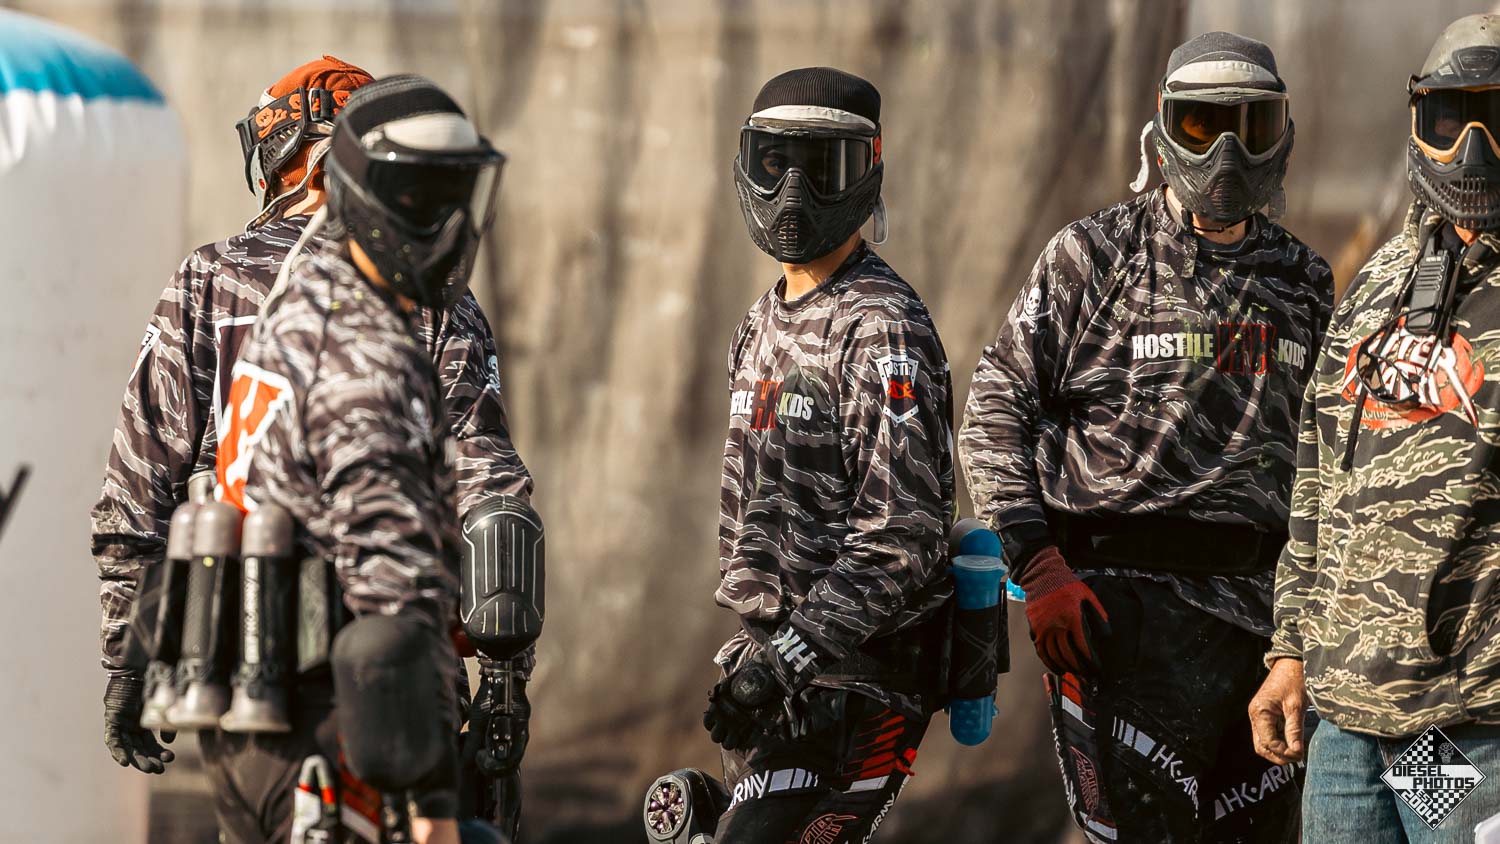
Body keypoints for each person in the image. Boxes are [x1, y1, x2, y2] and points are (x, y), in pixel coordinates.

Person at [90, 58, 538, 839]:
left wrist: (127, 655)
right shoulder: (411, 311)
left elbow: (137, 489)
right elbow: (487, 503)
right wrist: (502, 679)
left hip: (242, 693)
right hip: (372, 699)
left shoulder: (219, 283)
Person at [959, 32, 1332, 842]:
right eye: (1202, 125)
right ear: (1162, 126)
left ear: (1283, 134)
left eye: (1250, 127)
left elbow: (1329, 470)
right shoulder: (1093, 257)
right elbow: (994, 410)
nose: (1227, 155)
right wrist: (1038, 564)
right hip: (1114, 623)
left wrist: (1301, 639)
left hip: (1256, 634)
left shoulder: (1305, 281)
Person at [651, 67, 955, 844]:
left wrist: (785, 660)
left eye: (822, 168)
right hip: (775, 671)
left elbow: (903, 535)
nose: (794, 194)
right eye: (775, 163)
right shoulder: (760, 322)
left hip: (858, 679)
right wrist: (765, 664)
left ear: (869, 170)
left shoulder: (880, 325)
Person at [209, 74, 508, 844]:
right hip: (344, 724)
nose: (447, 227)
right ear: (363, 196)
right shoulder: (367, 351)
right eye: (421, 199)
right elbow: (392, 593)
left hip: (263, 723)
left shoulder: (304, 301)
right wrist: (432, 797)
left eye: (457, 196)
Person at [1250, 14, 1500, 841]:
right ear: (1418, 120)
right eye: (1452, 118)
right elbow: (1320, 483)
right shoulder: (1384, 279)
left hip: (1471, 723)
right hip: (1347, 727)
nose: (1474, 148)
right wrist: (1291, 651)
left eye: (1497, 118)